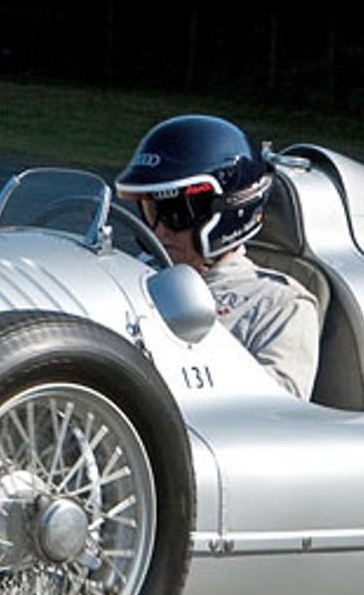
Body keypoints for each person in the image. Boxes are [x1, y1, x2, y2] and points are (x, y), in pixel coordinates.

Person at [116, 115, 320, 399]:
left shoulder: (278, 305)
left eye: (176, 214)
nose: (159, 231)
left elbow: (277, 413)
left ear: (228, 212)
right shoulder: (131, 276)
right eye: (151, 213)